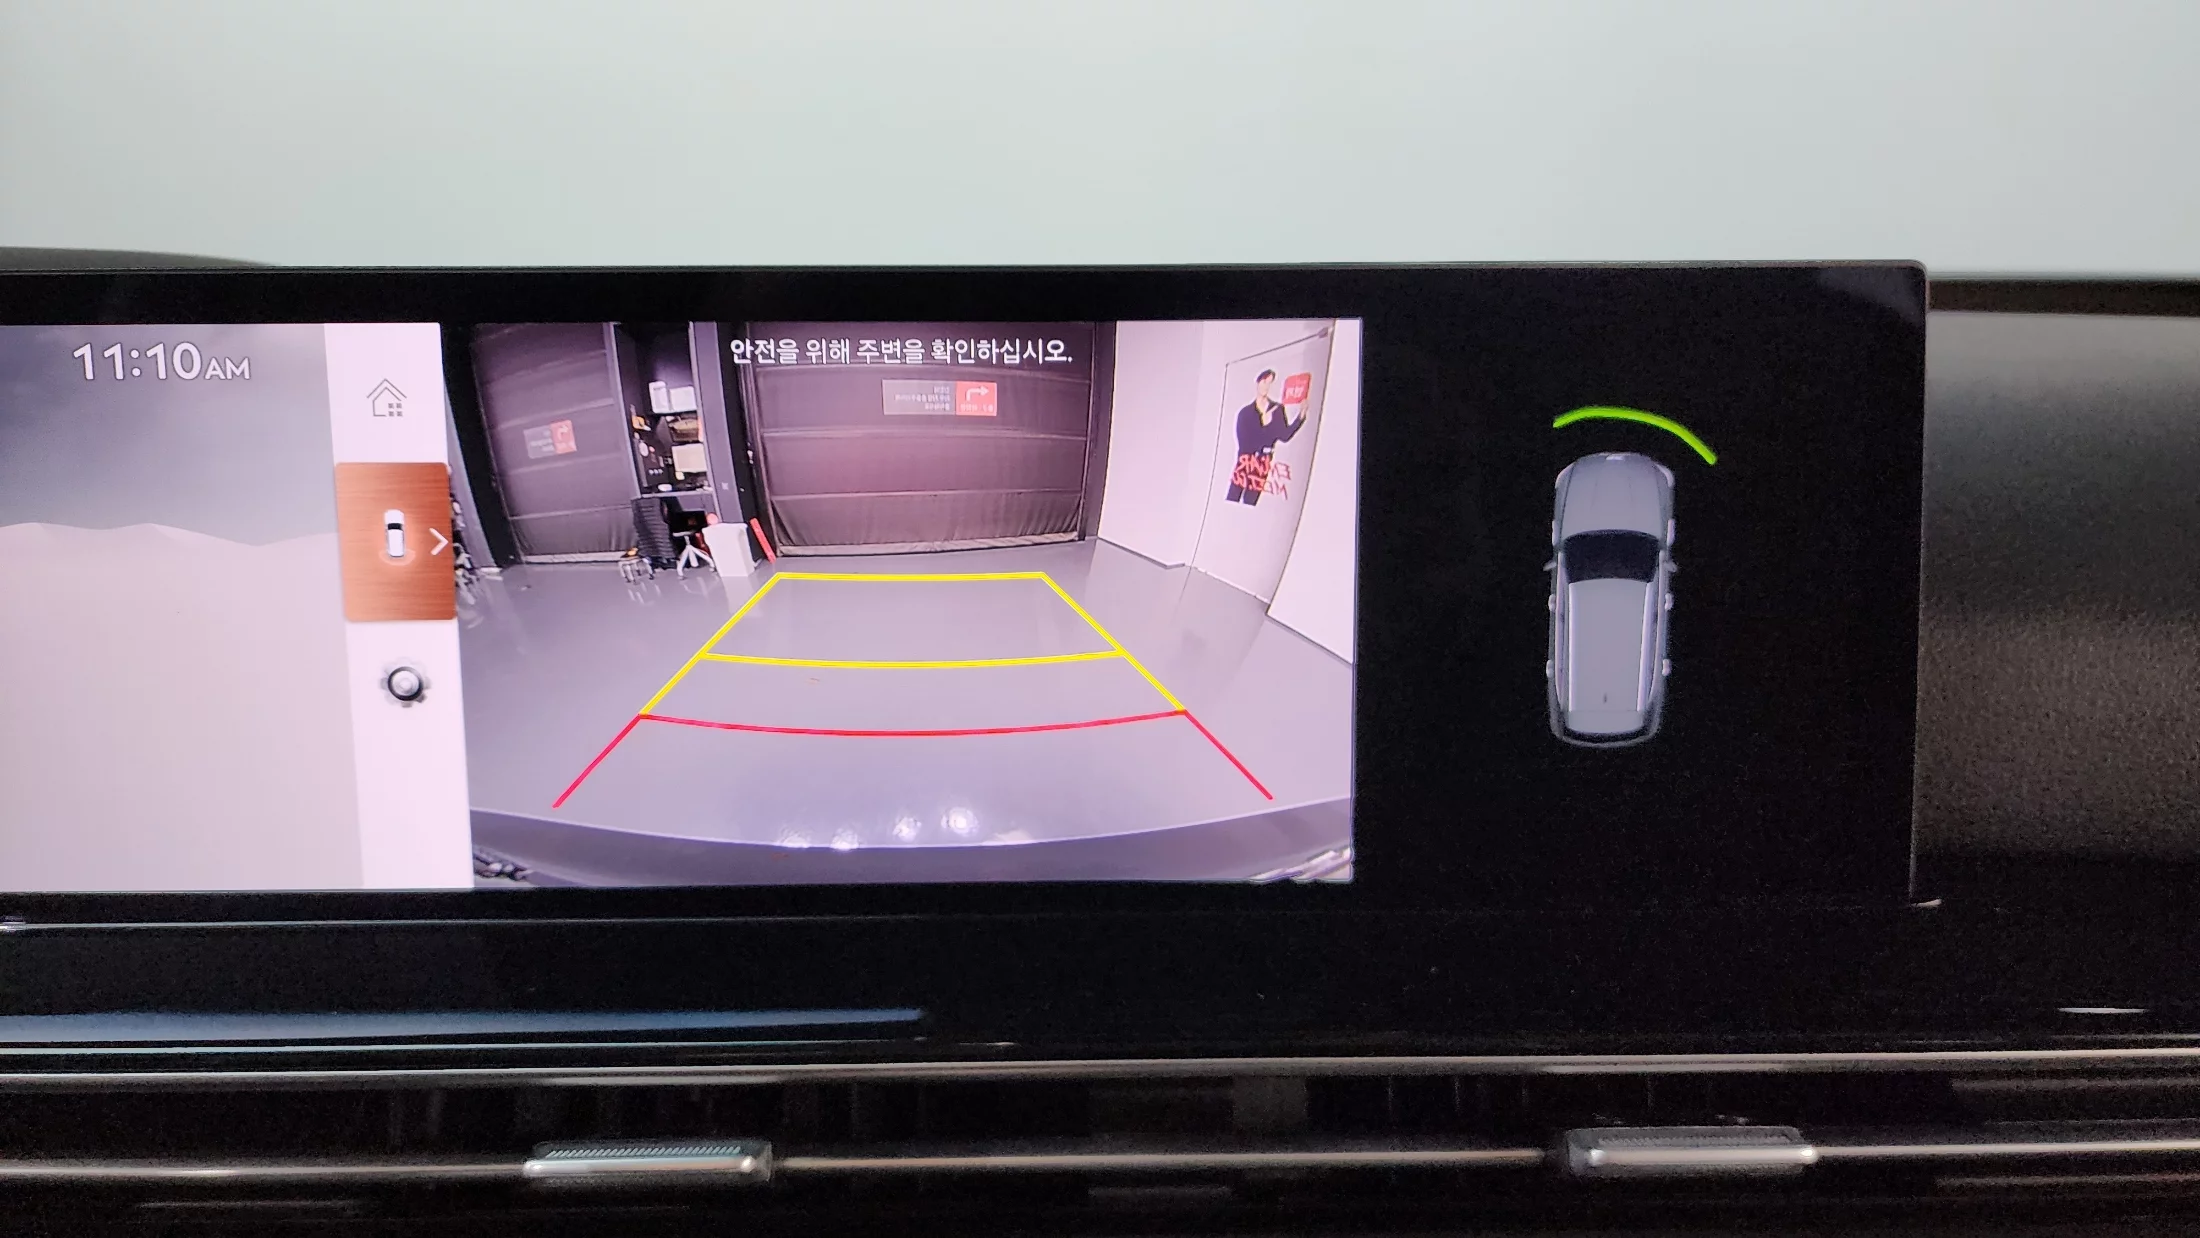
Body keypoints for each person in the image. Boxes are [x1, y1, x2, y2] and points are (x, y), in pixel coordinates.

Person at [1224, 369, 1309, 506]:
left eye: (1269, 383)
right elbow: (1244, 443)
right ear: (1258, 383)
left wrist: (1301, 416)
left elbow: (1285, 436)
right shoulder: (1245, 413)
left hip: (1263, 462)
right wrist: (1263, 424)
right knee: (1233, 497)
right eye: (1264, 382)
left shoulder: (1277, 409)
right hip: (1245, 460)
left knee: (1250, 501)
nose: (1266, 386)